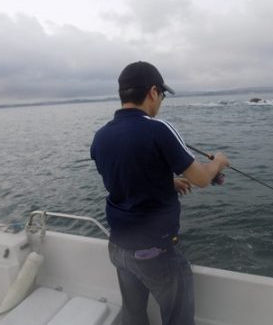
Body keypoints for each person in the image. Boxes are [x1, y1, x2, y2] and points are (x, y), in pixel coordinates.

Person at [90, 61, 230, 325]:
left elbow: (123, 181)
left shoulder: (100, 136)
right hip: (154, 252)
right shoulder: (159, 128)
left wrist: (169, 182)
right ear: (153, 92)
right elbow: (201, 179)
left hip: (119, 247)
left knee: (133, 314)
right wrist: (218, 162)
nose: (161, 101)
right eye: (162, 95)